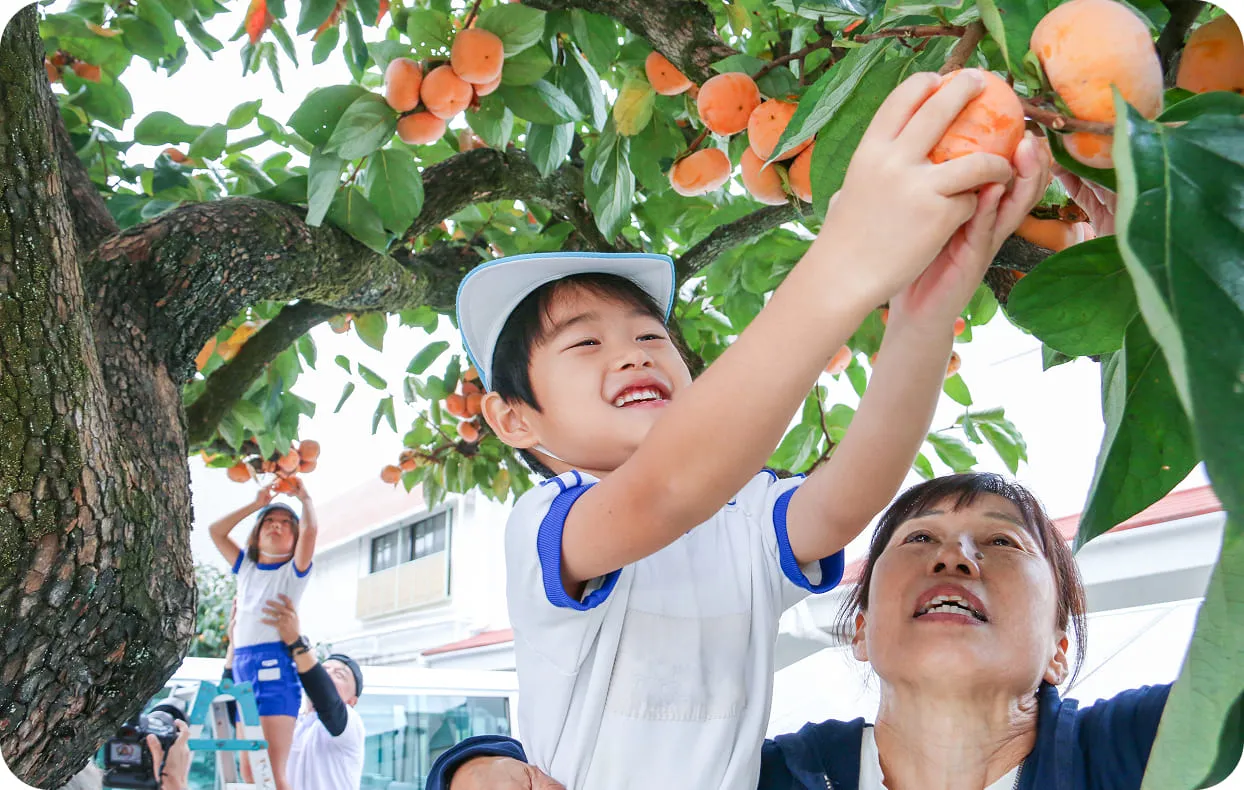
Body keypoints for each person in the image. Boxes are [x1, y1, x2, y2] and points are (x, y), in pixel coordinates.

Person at [452, 69, 1051, 790]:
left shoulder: (742, 521)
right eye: (585, 343)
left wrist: (927, 309)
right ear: (513, 418)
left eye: (651, 337)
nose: (633, 353)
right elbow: (666, 489)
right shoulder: (547, 524)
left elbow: (850, 493)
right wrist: (848, 255)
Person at [425, 473, 1170, 790]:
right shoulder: (775, 779)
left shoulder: (1139, 751)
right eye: (916, 540)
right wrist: (474, 767)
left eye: (1002, 542)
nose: (955, 554)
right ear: (863, 633)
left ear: (1060, 646)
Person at [208, 478, 318, 790]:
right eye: (268, 521)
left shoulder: (293, 571)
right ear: (256, 533)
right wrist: (256, 504)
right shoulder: (246, 567)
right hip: (243, 668)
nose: (277, 526)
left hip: (274, 668)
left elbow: (311, 532)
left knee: (270, 772)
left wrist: (305, 498)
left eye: (286, 523)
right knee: (248, 771)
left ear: (295, 537)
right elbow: (215, 531)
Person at [259, 592, 366, 790]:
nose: (329, 675)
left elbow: (328, 701)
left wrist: (296, 642)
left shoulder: (351, 725)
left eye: (340, 675)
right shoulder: (295, 722)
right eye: (325, 670)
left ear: (352, 701)